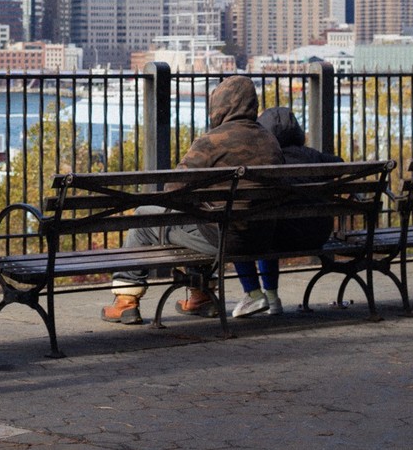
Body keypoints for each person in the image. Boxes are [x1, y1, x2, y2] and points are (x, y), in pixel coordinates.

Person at [101, 75, 283, 324]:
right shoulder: (270, 141)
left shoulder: (212, 141)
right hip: (263, 239)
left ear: (220, 104)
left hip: (222, 239)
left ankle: (126, 300)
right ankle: (199, 296)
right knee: (200, 219)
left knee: (144, 217)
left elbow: (173, 190)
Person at [230, 106, 343, 317]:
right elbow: (340, 164)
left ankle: (254, 294)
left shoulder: (270, 161)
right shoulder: (315, 156)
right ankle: (272, 298)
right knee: (270, 226)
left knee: (242, 229)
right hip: (318, 236)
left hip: (281, 238)